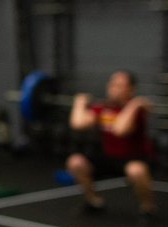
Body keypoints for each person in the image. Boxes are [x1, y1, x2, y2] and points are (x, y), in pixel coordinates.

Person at [66, 70, 156, 217]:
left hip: (133, 158)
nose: (114, 88)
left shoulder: (137, 111)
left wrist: (134, 105)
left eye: (120, 85)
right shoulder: (103, 108)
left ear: (131, 90)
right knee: (75, 162)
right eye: (113, 84)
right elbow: (77, 124)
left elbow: (120, 130)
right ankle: (94, 202)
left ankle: (148, 209)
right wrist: (79, 103)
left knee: (136, 170)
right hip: (108, 156)